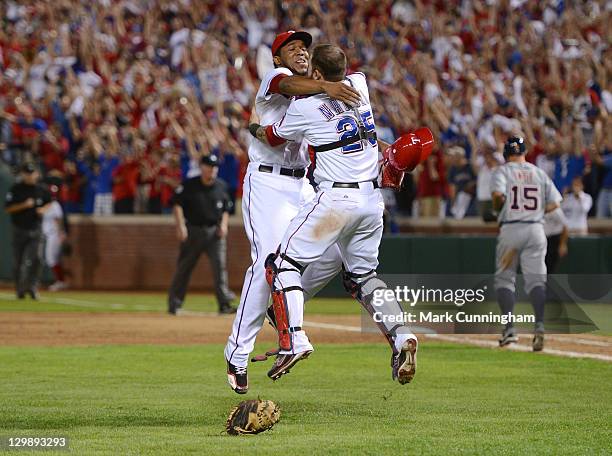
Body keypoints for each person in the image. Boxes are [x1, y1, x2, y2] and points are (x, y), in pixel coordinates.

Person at [250, 44, 432, 384]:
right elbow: (339, 76)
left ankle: (294, 339)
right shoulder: (360, 84)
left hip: (335, 200)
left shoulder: (306, 107)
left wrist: (254, 125)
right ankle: (401, 334)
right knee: (363, 276)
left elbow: (273, 137)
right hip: (371, 202)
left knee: (282, 264)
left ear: (316, 74)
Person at [224, 30, 361, 394]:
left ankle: (279, 309)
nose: (300, 52)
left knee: (336, 250)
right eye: (291, 48)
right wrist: (328, 87)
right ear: (278, 58)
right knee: (266, 261)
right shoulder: (276, 79)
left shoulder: (319, 93)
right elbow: (289, 88)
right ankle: (237, 354)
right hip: (267, 184)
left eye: (304, 48)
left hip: (304, 186)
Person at [491, 137, 562, 352]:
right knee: (536, 281)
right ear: (524, 151)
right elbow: (556, 203)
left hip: (512, 228)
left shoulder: (503, 171)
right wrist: (537, 211)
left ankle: (510, 330)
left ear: (506, 153)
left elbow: (497, 196)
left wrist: (498, 209)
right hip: (535, 229)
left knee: (505, 279)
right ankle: (539, 325)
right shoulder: (538, 172)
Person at [167, 154, 236, 315]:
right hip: (193, 231)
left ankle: (224, 304)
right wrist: (181, 226)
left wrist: (224, 225)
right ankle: (174, 303)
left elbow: (226, 208)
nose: (212, 169)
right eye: (208, 166)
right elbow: (177, 204)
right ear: (201, 167)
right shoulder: (190, 185)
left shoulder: (221, 186)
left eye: (214, 166)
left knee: (220, 268)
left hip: (215, 233)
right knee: (184, 268)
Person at [4, 163, 51, 299]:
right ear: (23, 174)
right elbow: (8, 208)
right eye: (27, 173)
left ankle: (32, 288)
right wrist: (23, 205)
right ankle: (20, 289)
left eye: (32, 173)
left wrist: (43, 209)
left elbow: (50, 202)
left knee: (37, 259)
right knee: (19, 262)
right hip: (19, 229)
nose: (30, 175)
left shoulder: (41, 189)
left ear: (36, 174)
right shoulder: (16, 189)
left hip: (36, 229)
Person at [42, 185, 68, 291]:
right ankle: (60, 281)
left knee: (51, 259)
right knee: (52, 259)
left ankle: (60, 281)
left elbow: (58, 220)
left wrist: (61, 233)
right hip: (50, 234)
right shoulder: (47, 205)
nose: (53, 196)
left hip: (54, 234)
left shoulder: (55, 205)